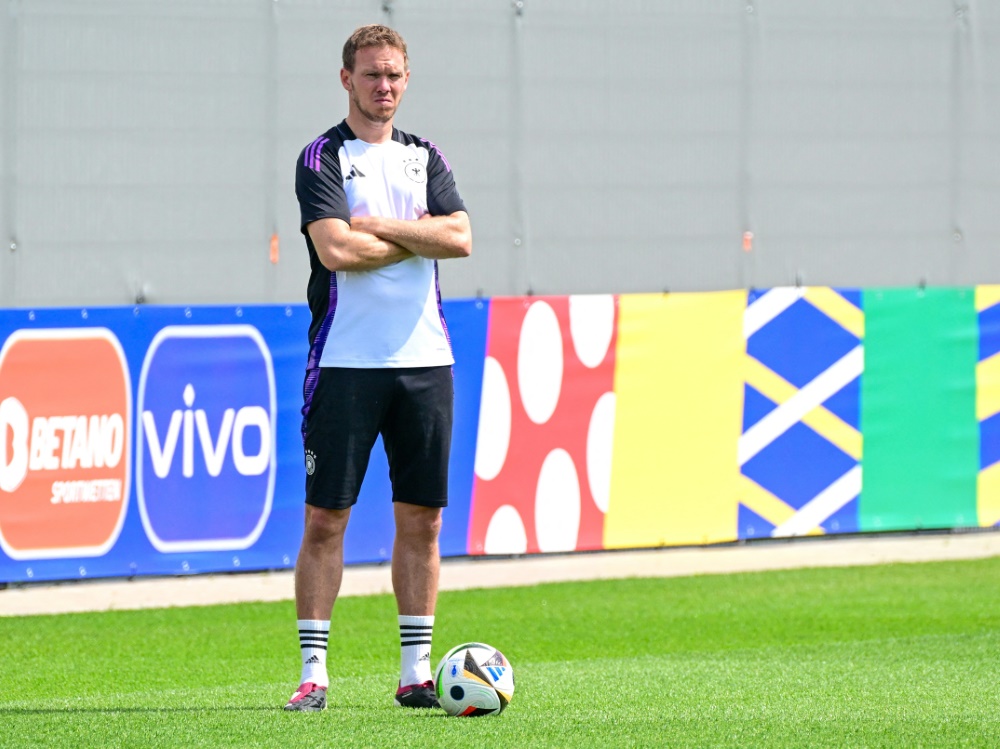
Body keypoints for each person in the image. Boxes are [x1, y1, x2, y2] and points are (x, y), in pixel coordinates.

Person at [284, 24, 472, 712]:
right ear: (346, 79)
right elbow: (336, 249)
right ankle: (313, 673)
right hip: (345, 362)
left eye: (394, 75)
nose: (383, 87)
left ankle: (416, 672)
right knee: (325, 519)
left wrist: (382, 226)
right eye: (371, 75)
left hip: (427, 362)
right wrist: (416, 232)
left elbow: (461, 236)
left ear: (406, 77)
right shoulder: (322, 156)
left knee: (422, 520)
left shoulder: (426, 156)